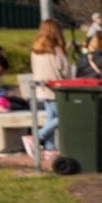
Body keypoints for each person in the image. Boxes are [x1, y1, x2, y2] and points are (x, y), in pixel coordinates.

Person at [30, 20, 78, 151]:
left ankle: (49, 146)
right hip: (56, 88)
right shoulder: (57, 51)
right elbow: (66, 71)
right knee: (66, 116)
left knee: (51, 117)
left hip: (41, 88)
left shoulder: (35, 50)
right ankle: (38, 136)